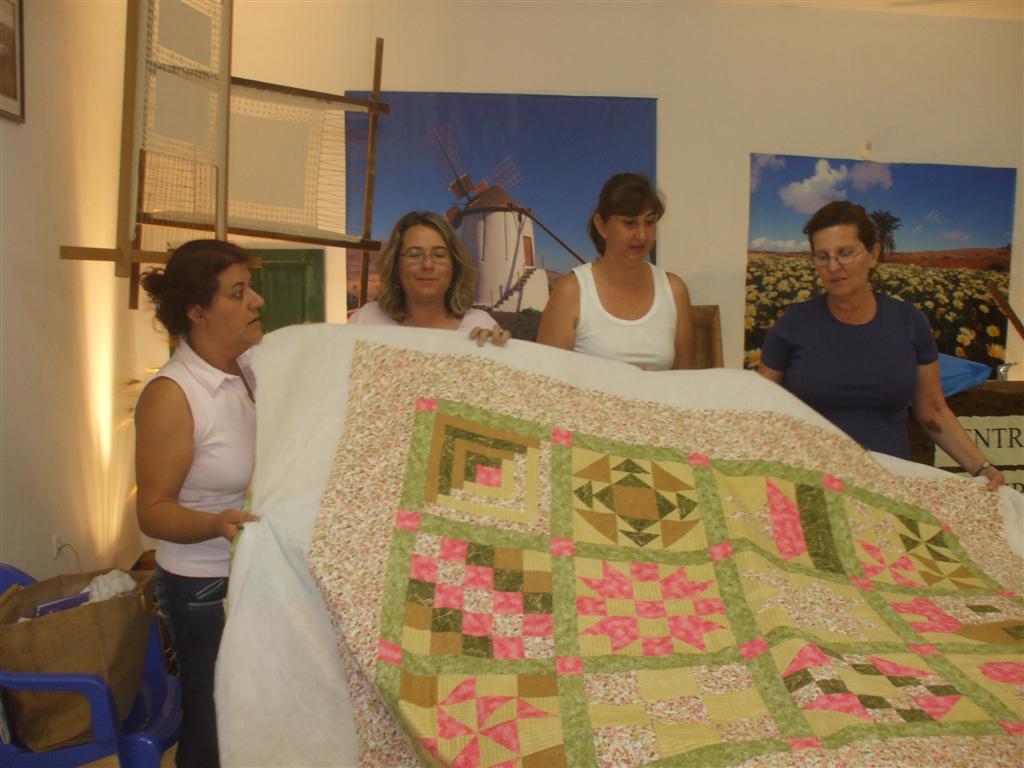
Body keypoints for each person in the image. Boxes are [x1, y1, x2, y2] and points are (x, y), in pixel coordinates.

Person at [757, 200, 1004, 490]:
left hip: (889, 485)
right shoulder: (792, 323)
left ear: (873, 255)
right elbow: (761, 409)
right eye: (822, 257)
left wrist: (982, 468)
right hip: (813, 485)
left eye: (845, 253)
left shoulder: (909, 321)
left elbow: (933, 411)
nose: (833, 267)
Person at [135, 240, 264, 767]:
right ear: (198, 312)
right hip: (204, 586)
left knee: (252, 718)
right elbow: (152, 510)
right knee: (213, 728)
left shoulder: (250, 369)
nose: (257, 300)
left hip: (255, 573)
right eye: (238, 292)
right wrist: (215, 524)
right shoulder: (174, 393)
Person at [536, 172, 695, 370]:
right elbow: (546, 379)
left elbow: (685, 380)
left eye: (649, 222)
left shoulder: (674, 290)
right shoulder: (571, 290)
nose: (642, 235)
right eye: (630, 223)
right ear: (602, 226)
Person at [348, 210, 510, 346]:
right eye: (414, 254)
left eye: (439, 255)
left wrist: (498, 352)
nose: (427, 265)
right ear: (396, 266)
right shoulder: (366, 319)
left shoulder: (481, 325)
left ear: (455, 266)